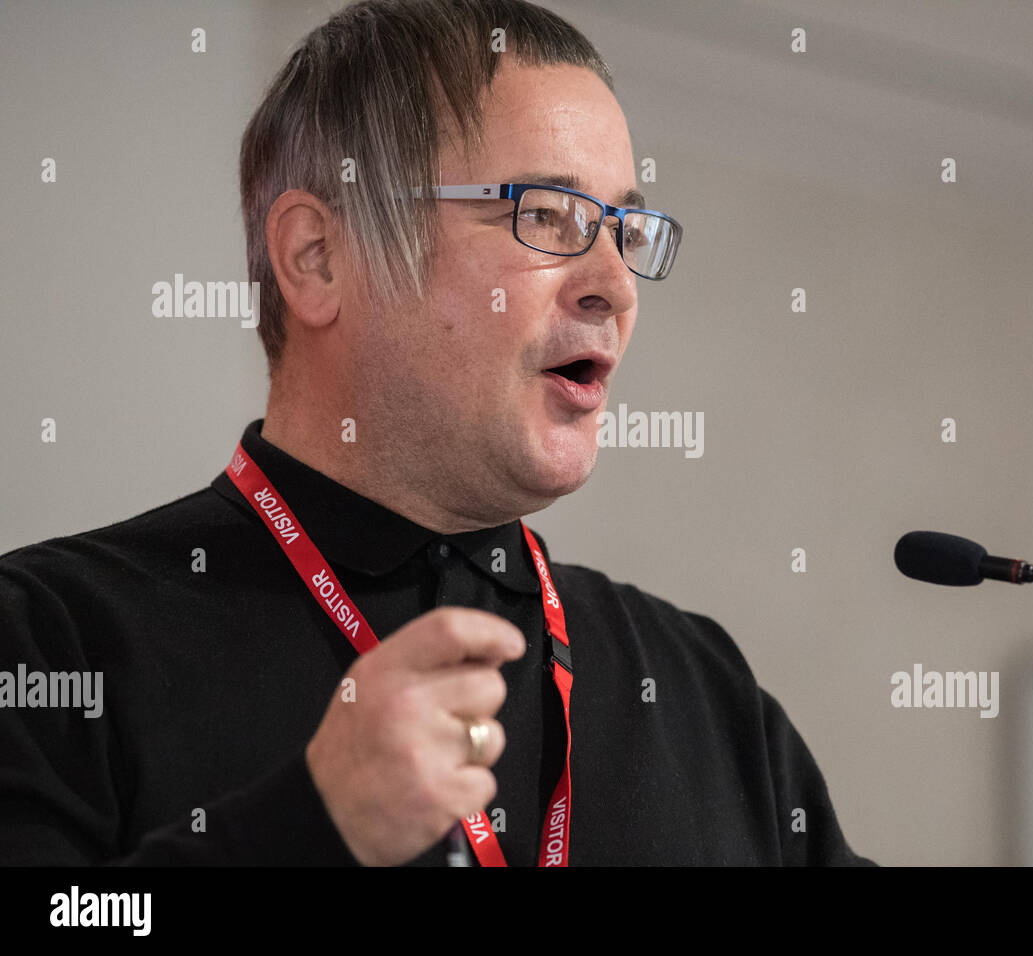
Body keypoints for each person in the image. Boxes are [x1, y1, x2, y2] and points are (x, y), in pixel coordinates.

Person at [0, 0, 873, 866]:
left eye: (623, 228)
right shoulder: (50, 640)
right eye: (545, 215)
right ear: (318, 257)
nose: (614, 283)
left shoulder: (701, 689)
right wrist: (305, 833)